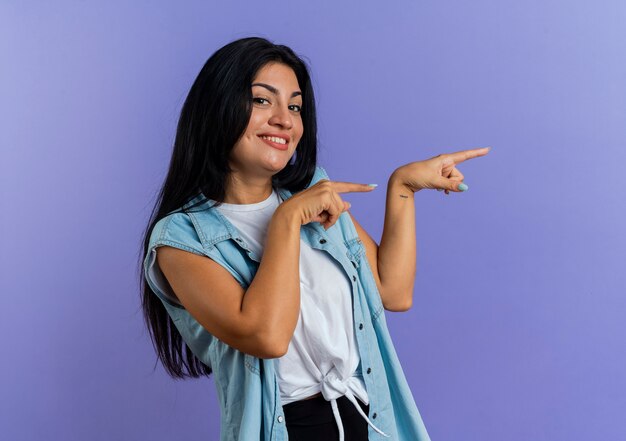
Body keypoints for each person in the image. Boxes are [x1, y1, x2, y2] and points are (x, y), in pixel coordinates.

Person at [139, 36, 489, 441]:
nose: (284, 120)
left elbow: (393, 292)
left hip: (369, 420)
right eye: (261, 100)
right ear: (216, 107)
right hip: (288, 428)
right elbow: (267, 336)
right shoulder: (181, 239)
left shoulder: (311, 191)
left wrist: (403, 187)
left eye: (294, 106)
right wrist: (286, 221)